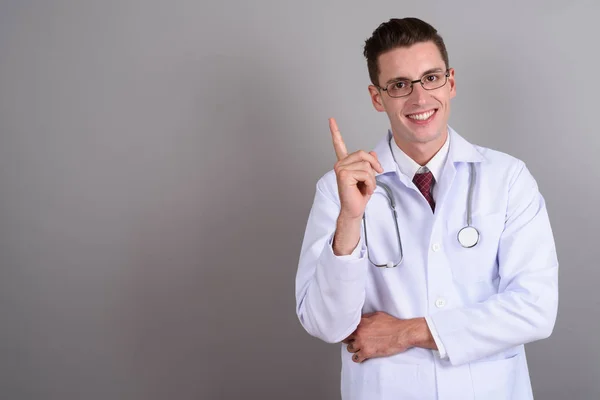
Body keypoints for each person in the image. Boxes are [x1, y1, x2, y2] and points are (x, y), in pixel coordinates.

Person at [295, 17, 558, 399]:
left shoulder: (507, 178)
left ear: (450, 83)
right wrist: (350, 218)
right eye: (400, 85)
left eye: (431, 78)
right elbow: (327, 324)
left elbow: (535, 310)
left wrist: (408, 332)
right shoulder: (338, 191)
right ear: (376, 97)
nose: (419, 99)